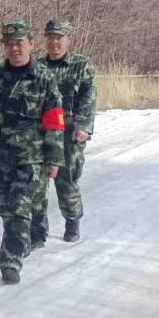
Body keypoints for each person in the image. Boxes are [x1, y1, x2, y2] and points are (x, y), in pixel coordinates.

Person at [0, 20, 64, 284]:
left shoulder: (44, 78)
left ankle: (11, 262)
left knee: (18, 208)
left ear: (31, 44)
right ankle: (34, 229)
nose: (14, 48)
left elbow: (54, 121)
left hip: (30, 157)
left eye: (19, 43)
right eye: (9, 44)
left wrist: (54, 157)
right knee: (6, 208)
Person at [32, 19, 96, 244]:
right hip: (42, 133)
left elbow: (88, 98)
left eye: (59, 37)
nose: (54, 42)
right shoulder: (36, 67)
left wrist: (83, 126)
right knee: (37, 181)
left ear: (69, 39)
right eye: (50, 37)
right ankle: (38, 228)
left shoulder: (81, 66)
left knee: (66, 179)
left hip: (69, 134)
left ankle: (72, 220)